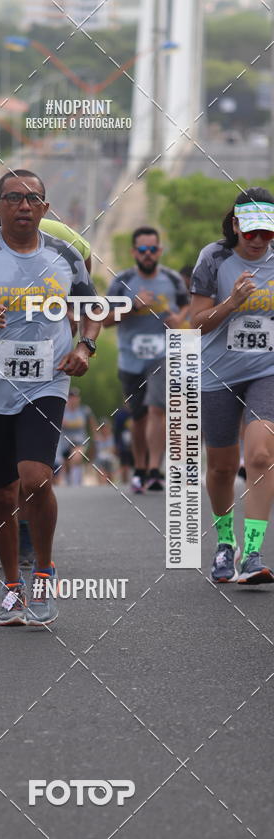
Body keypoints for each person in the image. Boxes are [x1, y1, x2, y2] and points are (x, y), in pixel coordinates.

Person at [0, 169, 100, 626]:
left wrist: (85, 347)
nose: (24, 206)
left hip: (46, 382)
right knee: (1, 494)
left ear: (45, 208)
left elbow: (92, 310)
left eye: (33, 199)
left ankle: (43, 574)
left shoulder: (65, 255)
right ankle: (12, 587)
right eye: (13, 198)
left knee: (36, 478)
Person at [190, 186, 274, 584]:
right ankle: (226, 543)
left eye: (267, 232)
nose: (258, 240)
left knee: (260, 455)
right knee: (222, 467)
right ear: (237, 226)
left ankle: (253, 553)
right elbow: (196, 323)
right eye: (252, 231)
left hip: (266, 370)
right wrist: (231, 303)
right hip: (218, 373)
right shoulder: (213, 258)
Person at [104, 226, 189, 493]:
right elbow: (104, 319)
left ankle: (154, 469)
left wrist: (180, 319)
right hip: (131, 360)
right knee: (138, 416)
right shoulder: (122, 281)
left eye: (153, 249)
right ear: (134, 252)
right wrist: (133, 306)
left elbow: (188, 305)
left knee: (156, 409)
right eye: (143, 249)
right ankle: (139, 469)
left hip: (162, 356)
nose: (148, 254)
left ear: (159, 251)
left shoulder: (173, 280)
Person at [55, 388, 98, 486]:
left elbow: (92, 423)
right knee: (66, 464)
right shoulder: (62, 410)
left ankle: (76, 483)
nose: (73, 400)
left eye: (75, 397)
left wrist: (95, 435)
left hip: (79, 440)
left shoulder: (84, 410)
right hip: (64, 442)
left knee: (76, 457)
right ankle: (70, 481)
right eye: (71, 397)